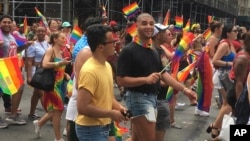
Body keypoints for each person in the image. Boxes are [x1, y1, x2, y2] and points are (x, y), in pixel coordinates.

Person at [75, 24, 127, 141]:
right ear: (100, 47)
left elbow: (107, 96)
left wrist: (119, 108)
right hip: (90, 130)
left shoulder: (107, 65)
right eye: (112, 42)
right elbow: (82, 107)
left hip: (103, 126)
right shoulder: (90, 71)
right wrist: (111, 113)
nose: (116, 43)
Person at [65, 17, 102, 141]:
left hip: (81, 93)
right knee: (77, 127)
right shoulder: (86, 49)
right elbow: (81, 83)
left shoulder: (88, 44)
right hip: (82, 95)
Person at [33, 31, 71, 141]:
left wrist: (65, 74)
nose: (64, 40)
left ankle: (39, 123)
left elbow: (58, 69)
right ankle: (58, 138)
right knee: (58, 110)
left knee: (54, 111)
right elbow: (45, 64)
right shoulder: (51, 50)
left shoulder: (61, 51)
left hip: (60, 84)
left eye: (65, 38)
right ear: (55, 39)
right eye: (62, 38)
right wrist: (60, 63)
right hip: (52, 85)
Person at [207, 24, 237, 140]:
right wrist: (230, 64)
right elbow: (215, 60)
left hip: (227, 77)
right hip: (223, 77)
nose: (236, 32)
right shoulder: (224, 44)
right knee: (229, 104)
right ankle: (215, 126)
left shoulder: (230, 43)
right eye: (234, 30)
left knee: (226, 104)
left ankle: (215, 127)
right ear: (228, 33)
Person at [0, 15, 32, 125]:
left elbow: (15, 50)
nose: (7, 24)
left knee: (19, 87)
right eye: (4, 22)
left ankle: (13, 115)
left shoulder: (11, 36)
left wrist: (25, 46)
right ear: (0, 24)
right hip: (2, 67)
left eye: (9, 22)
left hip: (12, 67)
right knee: (2, 91)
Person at [26, 26, 49, 119]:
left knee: (36, 93)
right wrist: (29, 76)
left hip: (46, 72)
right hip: (36, 72)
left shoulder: (48, 44)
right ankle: (50, 114)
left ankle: (31, 113)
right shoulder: (33, 45)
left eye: (42, 31)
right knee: (41, 93)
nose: (40, 33)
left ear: (45, 33)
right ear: (36, 32)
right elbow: (29, 62)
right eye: (38, 31)